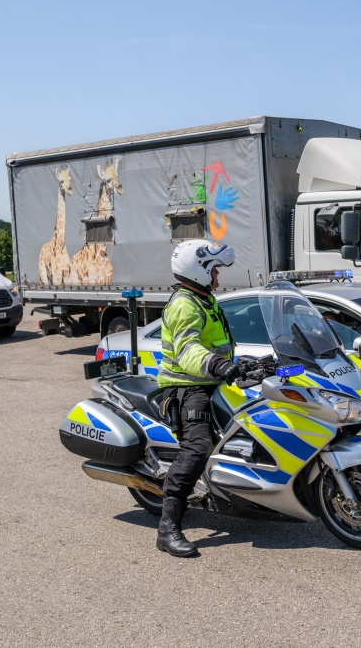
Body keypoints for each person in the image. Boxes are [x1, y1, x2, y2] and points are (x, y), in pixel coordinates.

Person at [155, 239, 240, 557]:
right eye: (214, 268)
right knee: (198, 446)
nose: (218, 274)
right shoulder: (184, 304)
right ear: (199, 270)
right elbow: (188, 350)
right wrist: (219, 365)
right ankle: (167, 529)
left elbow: (217, 342)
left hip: (210, 380)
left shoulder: (205, 299)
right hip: (187, 386)